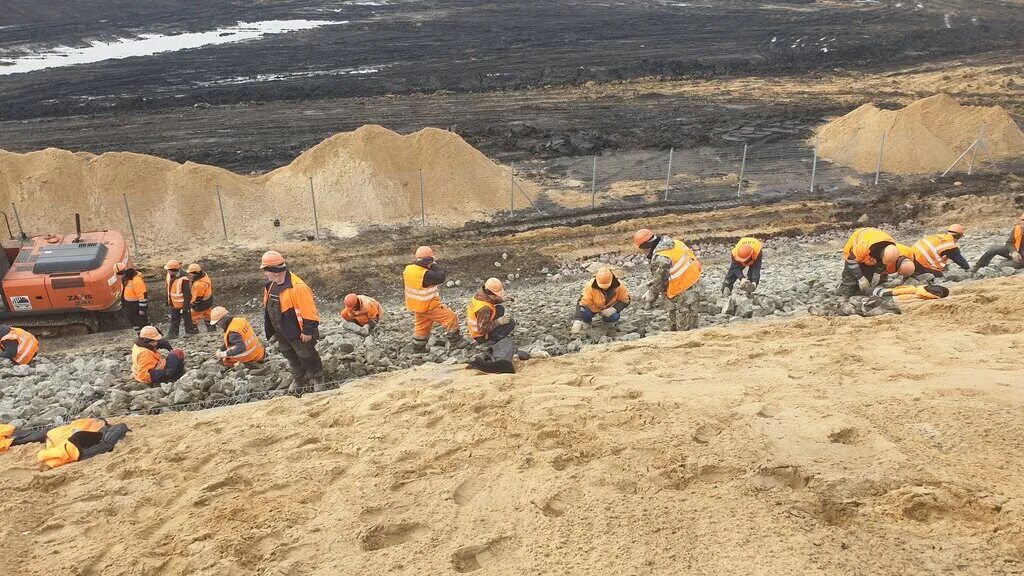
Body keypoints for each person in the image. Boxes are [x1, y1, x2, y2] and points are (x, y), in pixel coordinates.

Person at [260, 250, 325, 389]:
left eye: (266, 270)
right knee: (289, 354)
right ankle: (299, 377)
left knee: (307, 355)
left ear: (274, 272)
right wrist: (272, 331)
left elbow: (309, 311)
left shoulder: (298, 287)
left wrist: (308, 331)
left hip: (298, 332)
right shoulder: (270, 285)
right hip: (281, 331)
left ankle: (317, 378)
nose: (265, 273)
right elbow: (269, 308)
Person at [634, 228, 704, 331]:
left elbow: (660, 282)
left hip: (682, 293)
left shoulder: (660, 257)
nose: (643, 252)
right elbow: (688, 260)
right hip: (694, 283)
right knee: (688, 320)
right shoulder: (677, 243)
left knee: (685, 330)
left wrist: (651, 294)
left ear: (645, 246)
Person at [403, 246, 463, 352]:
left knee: (422, 327)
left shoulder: (409, 269)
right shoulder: (424, 274)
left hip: (417, 306)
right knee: (451, 318)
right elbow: (441, 277)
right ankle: (456, 342)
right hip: (428, 305)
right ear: (429, 259)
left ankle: (418, 348)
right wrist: (433, 265)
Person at [466, 278, 525, 374]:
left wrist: (501, 299)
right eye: (496, 295)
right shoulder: (485, 309)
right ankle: (490, 341)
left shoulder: (480, 294)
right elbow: (482, 330)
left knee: (499, 309)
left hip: (476, 328)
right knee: (510, 323)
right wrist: (498, 322)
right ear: (492, 294)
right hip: (481, 334)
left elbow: (490, 299)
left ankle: (489, 337)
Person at [837, 227, 915, 297]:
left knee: (868, 283)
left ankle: (859, 294)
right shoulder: (862, 246)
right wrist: (860, 278)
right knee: (850, 281)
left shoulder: (891, 247)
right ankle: (842, 296)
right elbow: (851, 260)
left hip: (871, 253)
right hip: (854, 254)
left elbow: (883, 262)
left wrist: (877, 273)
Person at [572, 267, 630, 334]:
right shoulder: (590, 285)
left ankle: (608, 323)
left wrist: (614, 309)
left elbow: (626, 299)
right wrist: (578, 320)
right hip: (593, 307)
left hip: (608, 309)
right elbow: (582, 302)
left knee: (614, 316)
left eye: (606, 286)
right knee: (584, 313)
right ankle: (586, 322)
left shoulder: (619, 286)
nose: (605, 288)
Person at [164, 260, 197, 337]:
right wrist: (168, 300)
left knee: (187, 318)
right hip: (173, 303)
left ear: (173, 270)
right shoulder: (169, 276)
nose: (167, 271)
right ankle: (173, 334)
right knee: (174, 319)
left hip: (183, 304)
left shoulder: (184, 280)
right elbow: (168, 289)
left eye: (168, 270)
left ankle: (190, 332)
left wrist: (185, 307)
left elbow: (187, 295)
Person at [115, 262, 148, 332]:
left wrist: (142, 309)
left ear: (122, 273)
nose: (118, 277)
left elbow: (143, 296)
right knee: (135, 323)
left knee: (143, 324)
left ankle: (149, 335)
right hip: (129, 306)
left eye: (118, 275)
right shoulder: (126, 279)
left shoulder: (136, 280)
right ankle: (140, 336)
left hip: (136, 306)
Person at [187, 263, 216, 332]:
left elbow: (198, 298)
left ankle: (194, 331)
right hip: (208, 302)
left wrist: (194, 304)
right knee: (208, 316)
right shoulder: (205, 276)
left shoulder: (199, 285)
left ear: (196, 273)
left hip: (200, 304)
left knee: (192, 317)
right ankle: (212, 330)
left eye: (191, 273)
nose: (189, 275)